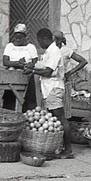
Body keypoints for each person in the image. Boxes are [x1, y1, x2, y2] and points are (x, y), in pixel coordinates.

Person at [29, 28, 72, 158]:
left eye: (39, 41)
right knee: (54, 119)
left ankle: (68, 149)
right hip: (50, 88)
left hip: (54, 88)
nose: (39, 44)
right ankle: (59, 146)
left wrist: (32, 72)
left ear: (44, 39)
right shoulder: (49, 51)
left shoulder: (54, 51)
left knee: (61, 118)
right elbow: (43, 66)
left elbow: (48, 71)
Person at [2, 23, 38, 111]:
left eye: (20, 37)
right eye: (16, 37)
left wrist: (28, 65)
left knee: (28, 99)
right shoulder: (9, 46)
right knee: (10, 98)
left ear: (25, 37)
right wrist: (18, 63)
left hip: (27, 76)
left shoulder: (31, 47)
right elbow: (5, 62)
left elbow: (35, 62)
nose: (18, 39)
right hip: (12, 76)